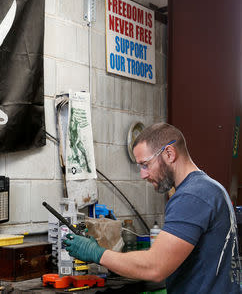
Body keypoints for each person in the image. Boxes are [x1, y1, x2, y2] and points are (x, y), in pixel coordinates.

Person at [64, 123, 241, 293]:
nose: (143, 174)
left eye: (145, 164)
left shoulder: (192, 195)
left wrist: (96, 253)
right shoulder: (211, 188)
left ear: (169, 154)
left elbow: (155, 267)